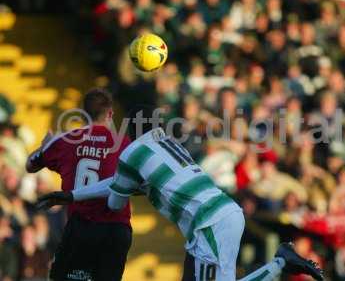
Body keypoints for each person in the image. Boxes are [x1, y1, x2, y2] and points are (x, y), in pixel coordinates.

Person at [37, 105, 323, 281]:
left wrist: (80, 194)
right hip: (224, 212)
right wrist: (75, 195)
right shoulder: (166, 143)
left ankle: (281, 261)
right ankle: (282, 261)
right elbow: (131, 181)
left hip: (208, 224)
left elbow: (114, 200)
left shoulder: (131, 154)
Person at [26, 88, 132, 281]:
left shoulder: (65, 141)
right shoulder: (125, 145)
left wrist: (44, 146)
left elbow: (30, 165)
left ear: (83, 114)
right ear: (110, 113)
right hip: (116, 229)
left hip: (82, 227)